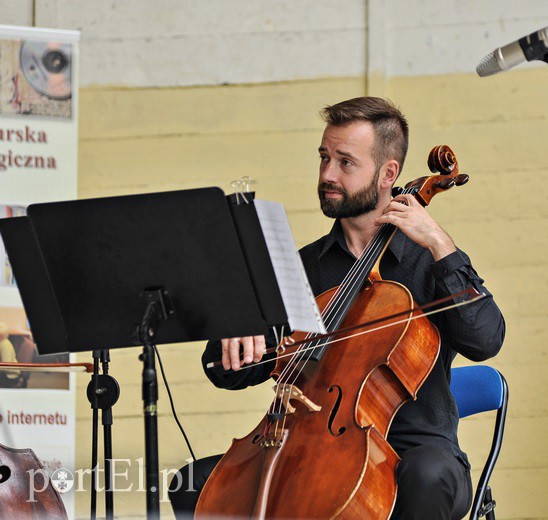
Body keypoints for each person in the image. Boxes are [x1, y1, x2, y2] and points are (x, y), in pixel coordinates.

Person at [169, 97, 505, 519]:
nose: (327, 174)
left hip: (415, 451)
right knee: (194, 485)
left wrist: (441, 244)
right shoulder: (301, 268)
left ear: (389, 174)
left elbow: (487, 340)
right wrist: (236, 332)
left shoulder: (429, 261)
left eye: (346, 162)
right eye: (325, 158)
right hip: (301, 447)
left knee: (427, 476)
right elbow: (226, 373)